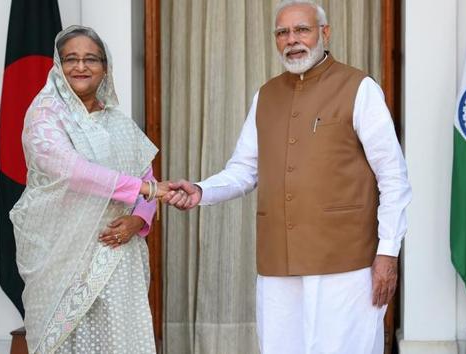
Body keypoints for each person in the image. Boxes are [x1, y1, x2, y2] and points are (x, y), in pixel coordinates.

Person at [164, 1, 411, 353]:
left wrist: (388, 253)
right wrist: (201, 191)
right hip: (278, 262)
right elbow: (244, 170)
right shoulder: (265, 95)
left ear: (324, 33)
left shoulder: (359, 88)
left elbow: (393, 177)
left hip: (346, 263)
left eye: (302, 30)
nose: (292, 40)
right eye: (282, 33)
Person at [9, 25, 166, 354]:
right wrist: (143, 189)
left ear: (105, 68)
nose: (81, 66)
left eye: (91, 59)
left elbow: (146, 177)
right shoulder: (45, 117)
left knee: (120, 341)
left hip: (117, 255)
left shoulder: (120, 122)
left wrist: (139, 220)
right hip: (62, 258)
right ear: (58, 65)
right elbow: (73, 172)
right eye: (71, 59)